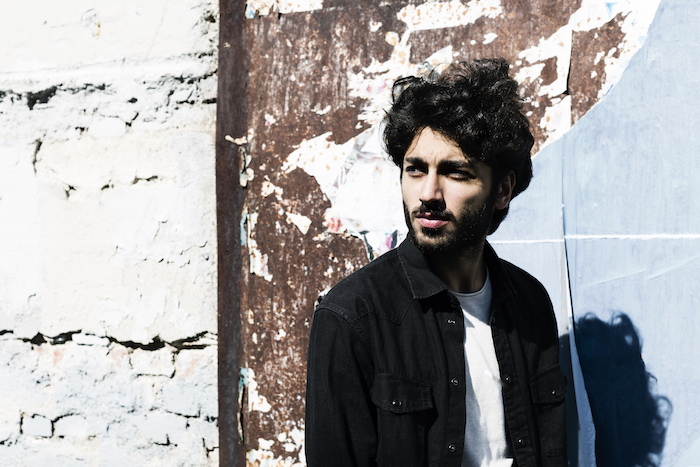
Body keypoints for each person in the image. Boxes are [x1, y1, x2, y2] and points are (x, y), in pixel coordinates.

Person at [305, 58, 567, 467]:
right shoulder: (352, 316)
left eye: (455, 173)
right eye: (415, 169)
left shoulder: (530, 303)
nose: (428, 193)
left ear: (502, 190)